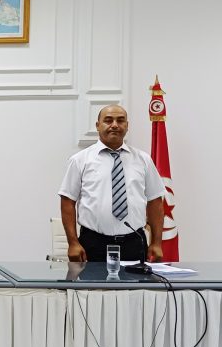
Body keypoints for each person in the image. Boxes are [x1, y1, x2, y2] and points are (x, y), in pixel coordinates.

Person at [58, 104, 164, 262]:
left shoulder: (143, 160)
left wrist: (156, 242)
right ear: (97, 125)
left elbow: (155, 201)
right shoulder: (80, 160)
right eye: (108, 120)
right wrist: (72, 242)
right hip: (93, 243)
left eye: (120, 120)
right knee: (92, 280)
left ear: (127, 126)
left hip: (134, 243)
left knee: (136, 280)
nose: (114, 125)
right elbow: (67, 201)